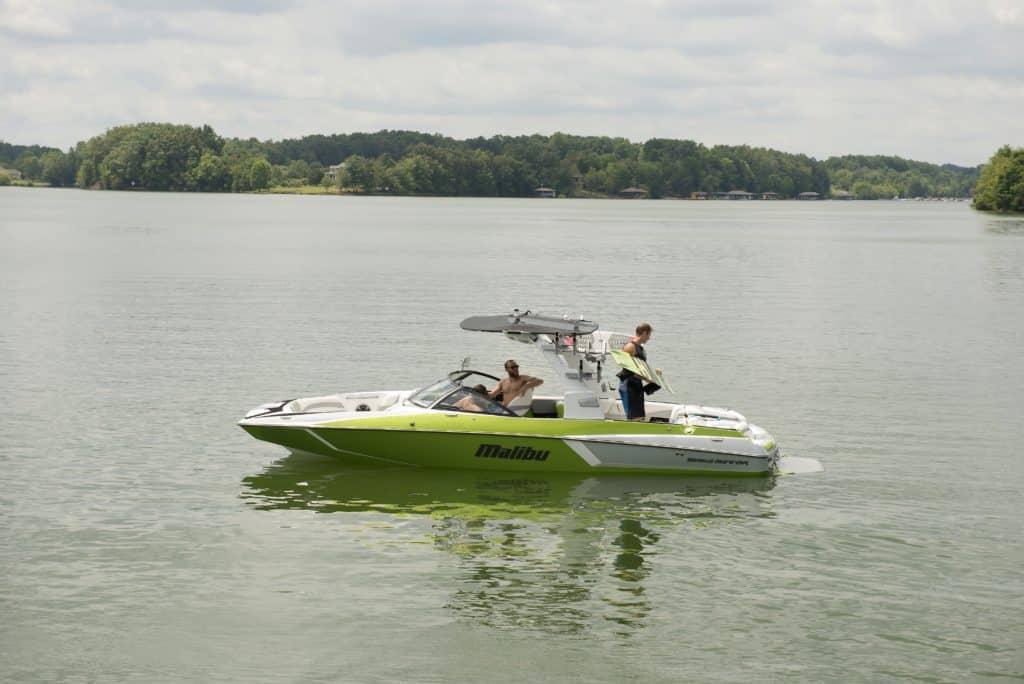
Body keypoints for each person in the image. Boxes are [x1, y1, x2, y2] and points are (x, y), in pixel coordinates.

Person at [618, 323, 653, 421]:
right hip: (628, 384)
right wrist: (647, 379)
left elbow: (642, 367)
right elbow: (628, 368)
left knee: (640, 417)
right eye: (649, 335)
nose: (649, 338)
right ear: (644, 333)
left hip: (637, 384)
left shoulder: (641, 348)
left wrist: (653, 375)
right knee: (633, 417)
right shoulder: (630, 347)